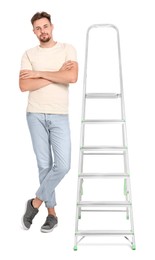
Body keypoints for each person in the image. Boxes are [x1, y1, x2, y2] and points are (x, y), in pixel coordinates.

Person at [19, 11, 78, 233]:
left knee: (63, 166)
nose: (42, 31)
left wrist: (38, 75)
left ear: (52, 26)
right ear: (34, 31)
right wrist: (55, 74)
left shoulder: (67, 49)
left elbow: (71, 78)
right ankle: (51, 215)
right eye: (38, 28)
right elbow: (24, 86)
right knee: (44, 166)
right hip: (35, 114)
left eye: (45, 26)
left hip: (59, 114)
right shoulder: (28, 54)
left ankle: (34, 203)